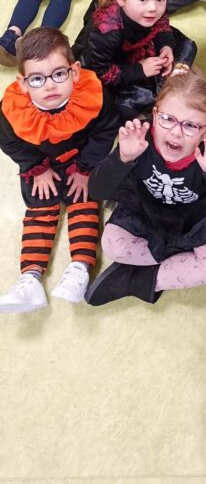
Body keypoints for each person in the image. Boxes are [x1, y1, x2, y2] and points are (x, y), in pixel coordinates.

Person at [84, 70, 206, 307]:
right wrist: (122, 158)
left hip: (201, 221)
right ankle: (184, 265)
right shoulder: (140, 140)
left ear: (205, 130)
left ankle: (139, 279)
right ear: (155, 115)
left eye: (190, 125)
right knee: (112, 244)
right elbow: (96, 191)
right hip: (150, 213)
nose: (176, 132)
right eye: (168, 119)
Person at [0, 27, 119, 313]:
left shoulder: (92, 93)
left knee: (85, 199)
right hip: (43, 163)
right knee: (41, 205)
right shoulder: (12, 108)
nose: (50, 86)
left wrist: (86, 167)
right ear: (23, 83)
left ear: (75, 71)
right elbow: (9, 142)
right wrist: (36, 168)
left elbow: (105, 131)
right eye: (37, 79)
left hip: (83, 157)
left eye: (59, 74)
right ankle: (30, 277)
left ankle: (79, 267)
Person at [73, 0, 197, 119]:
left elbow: (162, 23)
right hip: (112, 63)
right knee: (124, 107)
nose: (153, 8)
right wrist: (140, 70)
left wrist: (165, 46)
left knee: (187, 45)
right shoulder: (107, 31)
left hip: (140, 40)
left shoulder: (150, 13)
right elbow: (100, 73)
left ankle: (169, 78)